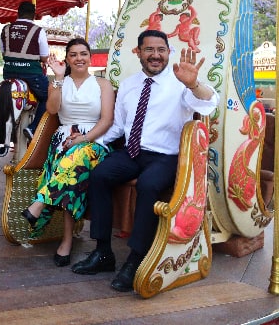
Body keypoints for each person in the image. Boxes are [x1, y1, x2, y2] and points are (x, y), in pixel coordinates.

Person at [71, 30, 219, 293]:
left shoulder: (180, 82)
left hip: (165, 156)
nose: (155, 55)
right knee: (99, 175)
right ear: (138, 52)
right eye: (149, 50)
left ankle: (136, 258)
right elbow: (118, 126)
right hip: (132, 152)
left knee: (149, 185)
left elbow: (208, 103)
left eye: (161, 50)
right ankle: (103, 252)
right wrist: (90, 141)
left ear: (168, 52)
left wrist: (194, 84)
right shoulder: (129, 84)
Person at [21, 38, 114, 267]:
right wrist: (60, 79)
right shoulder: (59, 82)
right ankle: (66, 241)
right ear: (67, 59)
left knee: (78, 156)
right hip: (63, 139)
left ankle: (40, 203)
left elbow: (107, 120)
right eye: (73, 54)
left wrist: (83, 139)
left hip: (93, 141)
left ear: (90, 57)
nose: (79, 58)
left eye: (83, 53)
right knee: (71, 175)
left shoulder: (103, 84)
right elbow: (52, 110)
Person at [0, 1, 50, 140]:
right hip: (31, 74)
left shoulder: (6, 29)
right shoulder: (38, 31)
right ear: (33, 15)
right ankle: (32, 128)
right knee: (49, 96)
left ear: (18, 13)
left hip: (9, 73)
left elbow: (3, 53)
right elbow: (45, 57)